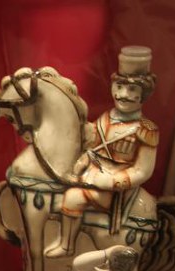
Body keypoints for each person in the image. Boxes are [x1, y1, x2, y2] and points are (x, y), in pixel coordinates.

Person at [46, 46, 159, 258]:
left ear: (143, 94)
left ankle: (67, 245)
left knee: (71, 197)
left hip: (115, 187)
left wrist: (113, 181)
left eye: (132, 90)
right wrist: (84, 157)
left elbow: (143, 170)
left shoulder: (146, 129)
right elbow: (94, 146)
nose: (123, 95)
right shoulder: (105, 117)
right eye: (119, 86)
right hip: (92, 172)